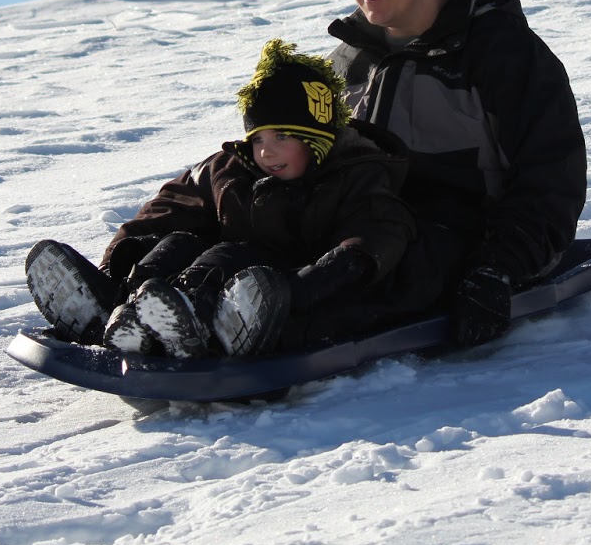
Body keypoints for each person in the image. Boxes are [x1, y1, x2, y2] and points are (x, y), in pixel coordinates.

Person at [24, 39, 415, 357]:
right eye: (258, 139)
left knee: (228, 257)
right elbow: (170, 207)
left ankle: (185, 323)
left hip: (276, 291)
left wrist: (316, 282)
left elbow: (377, 230)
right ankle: (116, 308)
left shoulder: (355, 175)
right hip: (211, 276)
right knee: (176, 243)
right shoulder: (231, 170)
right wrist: (123, 254)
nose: (267, 152)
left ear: (317, 141)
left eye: (282, 137)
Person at [325, 0, 587, 346]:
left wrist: (495, 270)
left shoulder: (500, 52)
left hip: (455, 249)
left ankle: (264, 319)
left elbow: (551, 180)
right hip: (350, 241)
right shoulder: (349, 61)